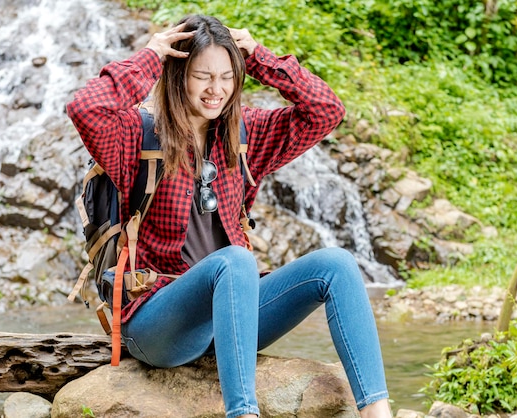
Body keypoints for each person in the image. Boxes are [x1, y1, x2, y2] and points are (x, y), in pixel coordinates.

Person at [67, 14, 393, 418]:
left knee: (337, 265)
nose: (216, 90)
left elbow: (326, 110)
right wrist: (150, 57)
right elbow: (84, 107)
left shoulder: (245, 135)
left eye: (227, 77)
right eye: (202, 76)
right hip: (157, 323)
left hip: (232, 318)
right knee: (235, 260)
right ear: (176, 73)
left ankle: (377, 412)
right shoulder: (136, 135)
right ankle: (243, 413)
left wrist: (258, 57)